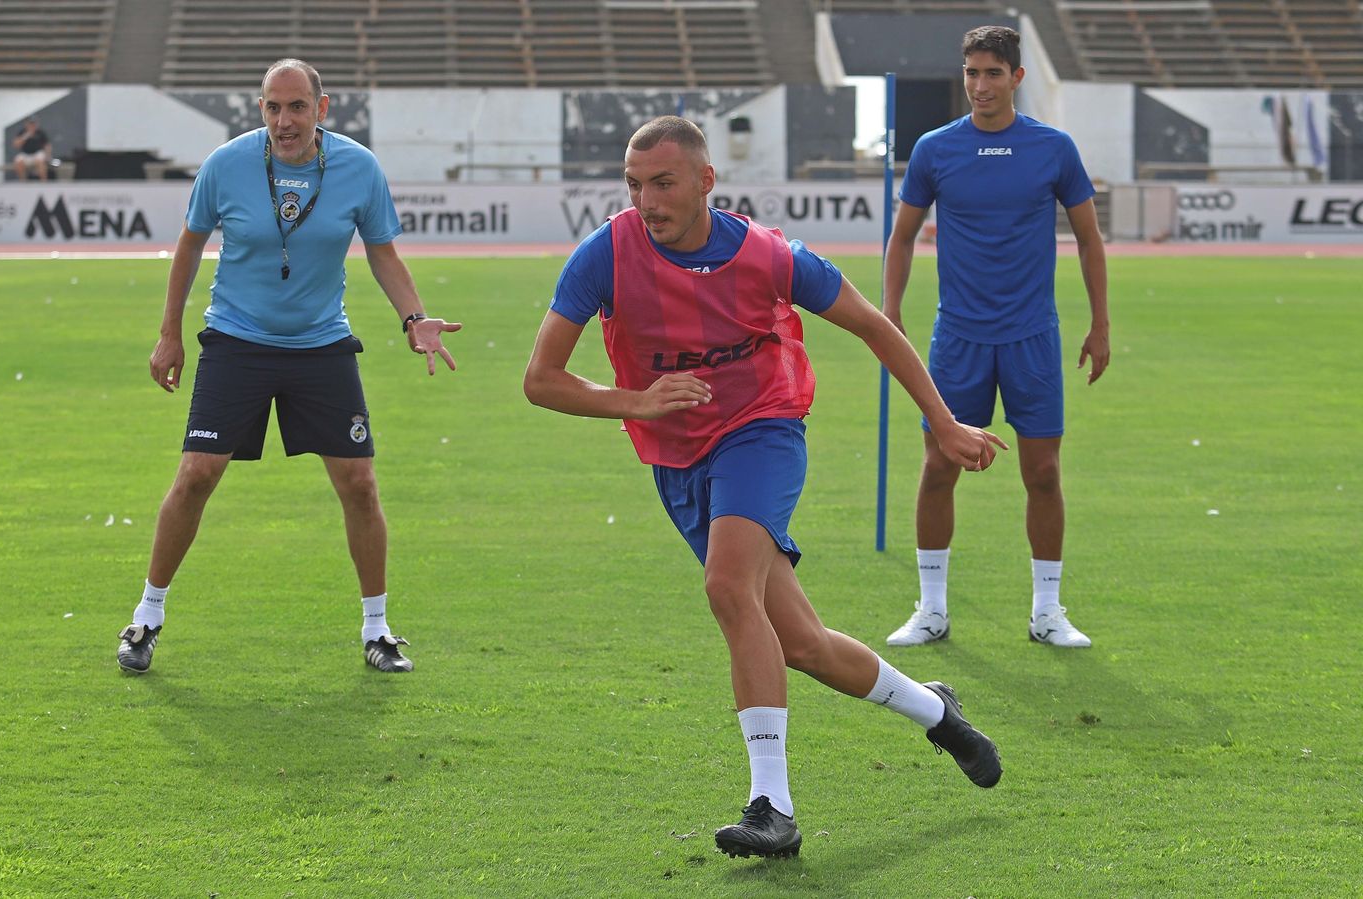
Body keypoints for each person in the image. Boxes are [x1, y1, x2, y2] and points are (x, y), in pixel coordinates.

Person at [523, 116, 1004, 860]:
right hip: (676, 460)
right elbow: (540, 381)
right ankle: (937, 712)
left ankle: (772, 806)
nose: (645, 200)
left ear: (706, 181)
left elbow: (876, 328)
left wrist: (943, 423)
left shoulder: (770, 256)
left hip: (763, 429)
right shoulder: (605, 253)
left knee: (726, 587)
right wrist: (638, 401)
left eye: (663, 182)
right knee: (803, 643)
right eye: (633, 183)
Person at [116, 59, 460, 676]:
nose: (284, 121)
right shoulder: (227, 164)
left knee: (359, 484)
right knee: (196, 473)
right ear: (261, 109)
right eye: (273, 108)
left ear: (321, 109)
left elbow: (383, 254)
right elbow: (190, 245)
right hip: (236, 341)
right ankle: (146, 618)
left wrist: (416, 318)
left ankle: (378, 630)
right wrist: (170, 333)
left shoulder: (358, 167)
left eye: (297, 107)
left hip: (320, 345)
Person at [883, 25, 1110, 650]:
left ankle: (1047, 611)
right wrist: (890, 314)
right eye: (971, 72)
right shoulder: (935, 149)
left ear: (1017, 77)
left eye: (992, 73)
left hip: (1033, 338)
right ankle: (931, 610)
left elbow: (1089, 239)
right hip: (958, 339)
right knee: (937, 468)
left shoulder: (1053, 148)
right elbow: (902, 237)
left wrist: (1100, 323)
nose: (980, 85)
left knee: (1042, 473)